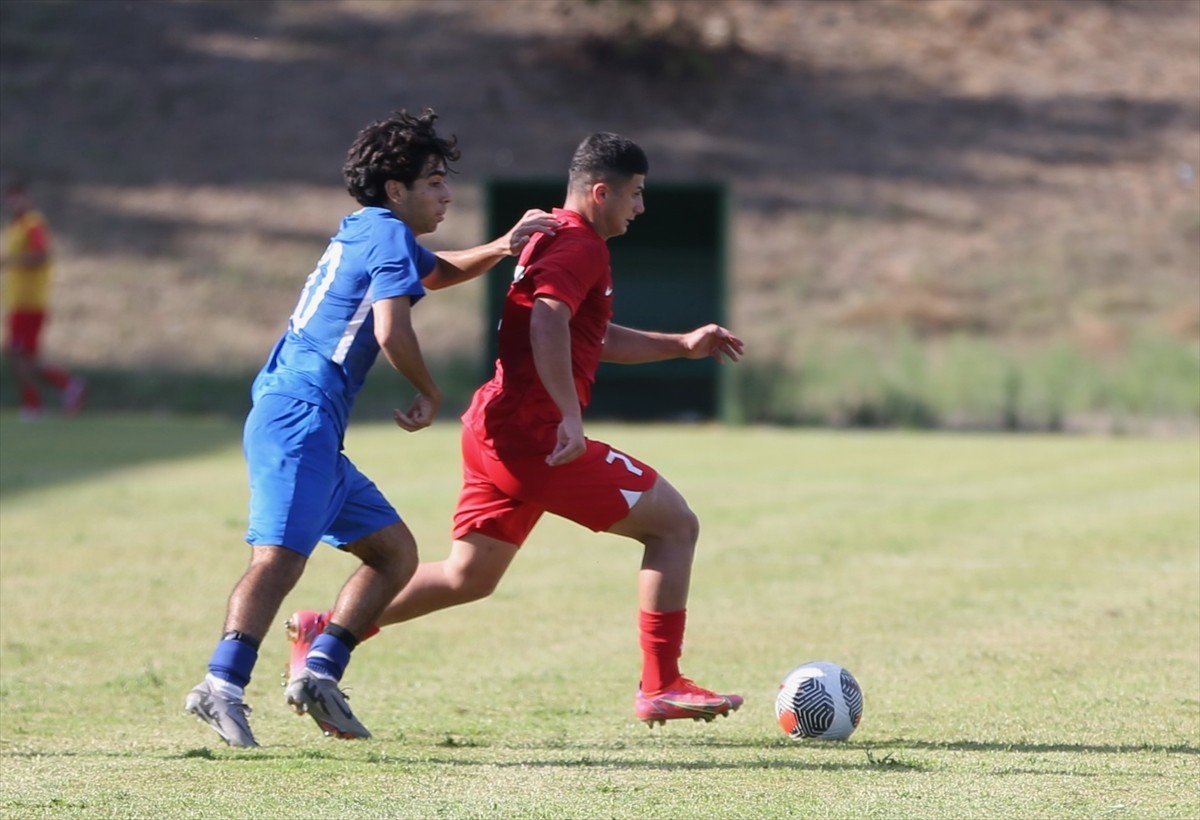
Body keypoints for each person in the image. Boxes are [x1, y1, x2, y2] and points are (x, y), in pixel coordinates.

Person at [286, 131, 746, 729]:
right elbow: (547, 323)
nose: (640, 207)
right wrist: (569, 415)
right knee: (675, 525)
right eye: (634, 193)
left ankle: (328, 629)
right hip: (534, 437)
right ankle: (661, 684)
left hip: (495, 428)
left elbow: (585, 334)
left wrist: (681, 344)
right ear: (600, 192)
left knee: (467, 576)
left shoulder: (557, 236)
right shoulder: (579, 246)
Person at [184, 109, 559, 748]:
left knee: (394, 555)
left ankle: (320, 672)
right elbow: (391, 328)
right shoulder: (386, 233)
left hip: (311, 421)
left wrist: (502, 246)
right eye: (434, 182)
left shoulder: (374, 230)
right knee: (278, 557)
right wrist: (430, 391)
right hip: (299, 414)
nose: (447, 195)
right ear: (395, 189)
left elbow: (437, 272)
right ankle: (220, 684)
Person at [1, 180, 85, 421]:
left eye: (19, 197)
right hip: (17, 302)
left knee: (20, 355)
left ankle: (41, 401)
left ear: (27, 198)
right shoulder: (15, 226)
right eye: (11, 198)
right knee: (19, 355)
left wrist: (9, 261)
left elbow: (41, 255)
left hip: (31, 303)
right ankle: (63, 388)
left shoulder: (33, 224)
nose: (15, 202)